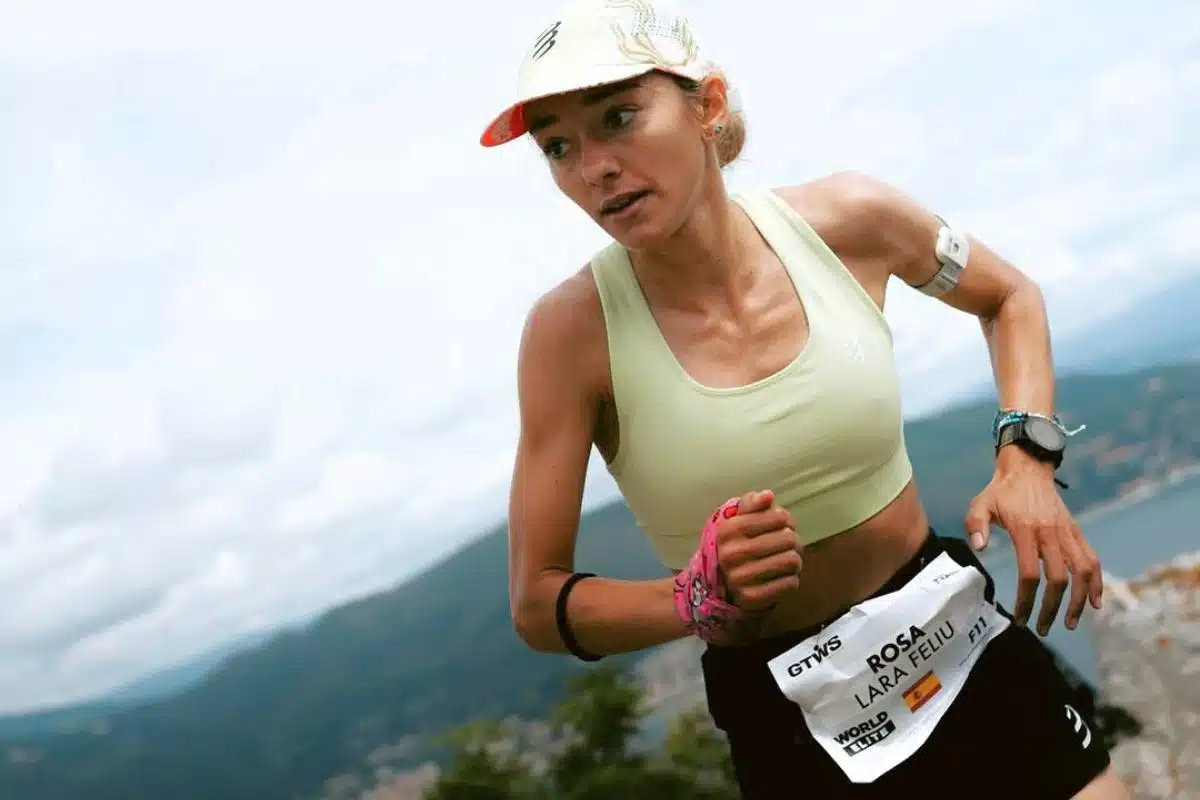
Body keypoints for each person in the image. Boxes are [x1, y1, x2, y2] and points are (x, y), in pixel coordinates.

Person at [485, 1, 1131, 797]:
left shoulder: (849, 220)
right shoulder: (570, 335)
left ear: (707, 104)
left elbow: (1009, 296)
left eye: (618, 117)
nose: (593, 168)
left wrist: (1027, 460)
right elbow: (537, 603)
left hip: (961, 646)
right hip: (795, 728)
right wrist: (690, 599)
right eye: (558, 146)